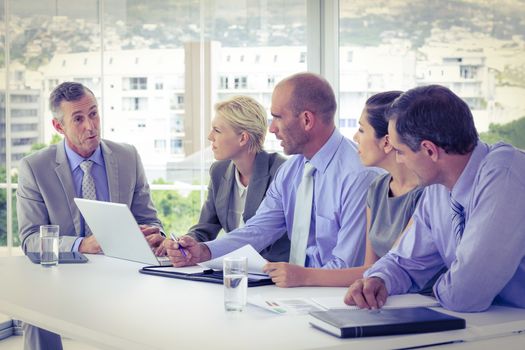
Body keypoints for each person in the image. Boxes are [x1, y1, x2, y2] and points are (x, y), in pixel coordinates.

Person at [164, 72, 379, 276]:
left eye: (277, 118)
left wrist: (300, 278)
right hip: (293, 292)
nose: (272, 129)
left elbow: (348, 265)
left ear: (306, 120)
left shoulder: (359, 176)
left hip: (337, 298)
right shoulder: (291, 172)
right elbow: (259, 230)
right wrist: (203, 251)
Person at [345, 85, 525, 312]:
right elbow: (406, 261)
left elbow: (465, 294)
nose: (398, 161)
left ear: (429, 150)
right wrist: (378, 280)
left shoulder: (506, 175)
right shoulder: (437, 188)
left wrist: (434, 287)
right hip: (491, 324)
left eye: (400, 152)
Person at [16, 82, 164, 350]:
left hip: (121, 271)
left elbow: (150, 219)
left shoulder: (127, 156)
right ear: (59, 126)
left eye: (94, 114)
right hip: (63, 273)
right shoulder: (35, 167)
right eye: (79, 119)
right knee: (35, 311)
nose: (91, 126)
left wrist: (154, 235)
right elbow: (30, 240)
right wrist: (83, 245)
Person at [261, 91, 423, 287]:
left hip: (417, 299)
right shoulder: (378, 188)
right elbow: (370, 269)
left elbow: (392, 268)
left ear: (387, 142)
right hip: (382, 296)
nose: (355, 137)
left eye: (362, 130)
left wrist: (303, 276)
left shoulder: (424, 195)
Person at [186, 95, 290, 262]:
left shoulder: (282, 172)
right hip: (234, 270)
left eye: (217, 130)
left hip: (272, 275)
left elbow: (262, 233)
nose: (210, 136)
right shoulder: (218, 171)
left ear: (243, 138)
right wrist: (184, 244)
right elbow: (204, 230)